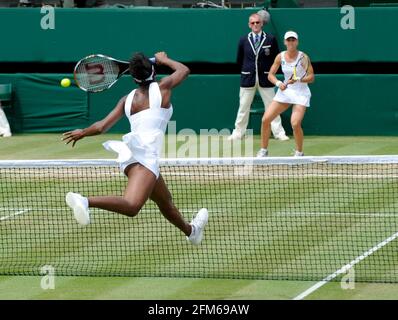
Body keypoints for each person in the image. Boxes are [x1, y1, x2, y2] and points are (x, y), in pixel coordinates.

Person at [62, 51, 209, 245]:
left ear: (134, 79)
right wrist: (165, 60)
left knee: (165, 202)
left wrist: (83, 132)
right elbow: (183, 69)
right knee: (132, 206)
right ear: (153, 71)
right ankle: (85, 201)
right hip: (145, 156)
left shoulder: (126, 99)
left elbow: (101, 127)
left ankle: (192, 232)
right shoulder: (163, 86)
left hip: (132, 154)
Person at [228, 11, 289, 142]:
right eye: (253, 23)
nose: (255, 25)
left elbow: (276, 59)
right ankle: (238, 133)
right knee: (243, 107)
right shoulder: (243, 40)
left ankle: (279, 133)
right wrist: (247, 71)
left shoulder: (270, 38)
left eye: (258, 22)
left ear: (262, 24)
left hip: (266, 78)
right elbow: (239, 59)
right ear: (249, 25)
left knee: (272, 106)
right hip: (248, 78)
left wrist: (270, 73)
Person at [257, 31, 314, 157]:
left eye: (293, 40)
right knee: (265, 120)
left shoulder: (303, 57)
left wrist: (298, 79)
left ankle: (299, 152)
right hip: (286, 91)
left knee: (295, 123)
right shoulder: (280, 57)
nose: (291, 42)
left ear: (297, 42)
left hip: (301, 92)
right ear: (285, 42)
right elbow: (271, 75)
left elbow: (311, 77)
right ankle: (263, 151)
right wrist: (278, 83)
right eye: (289, 40)